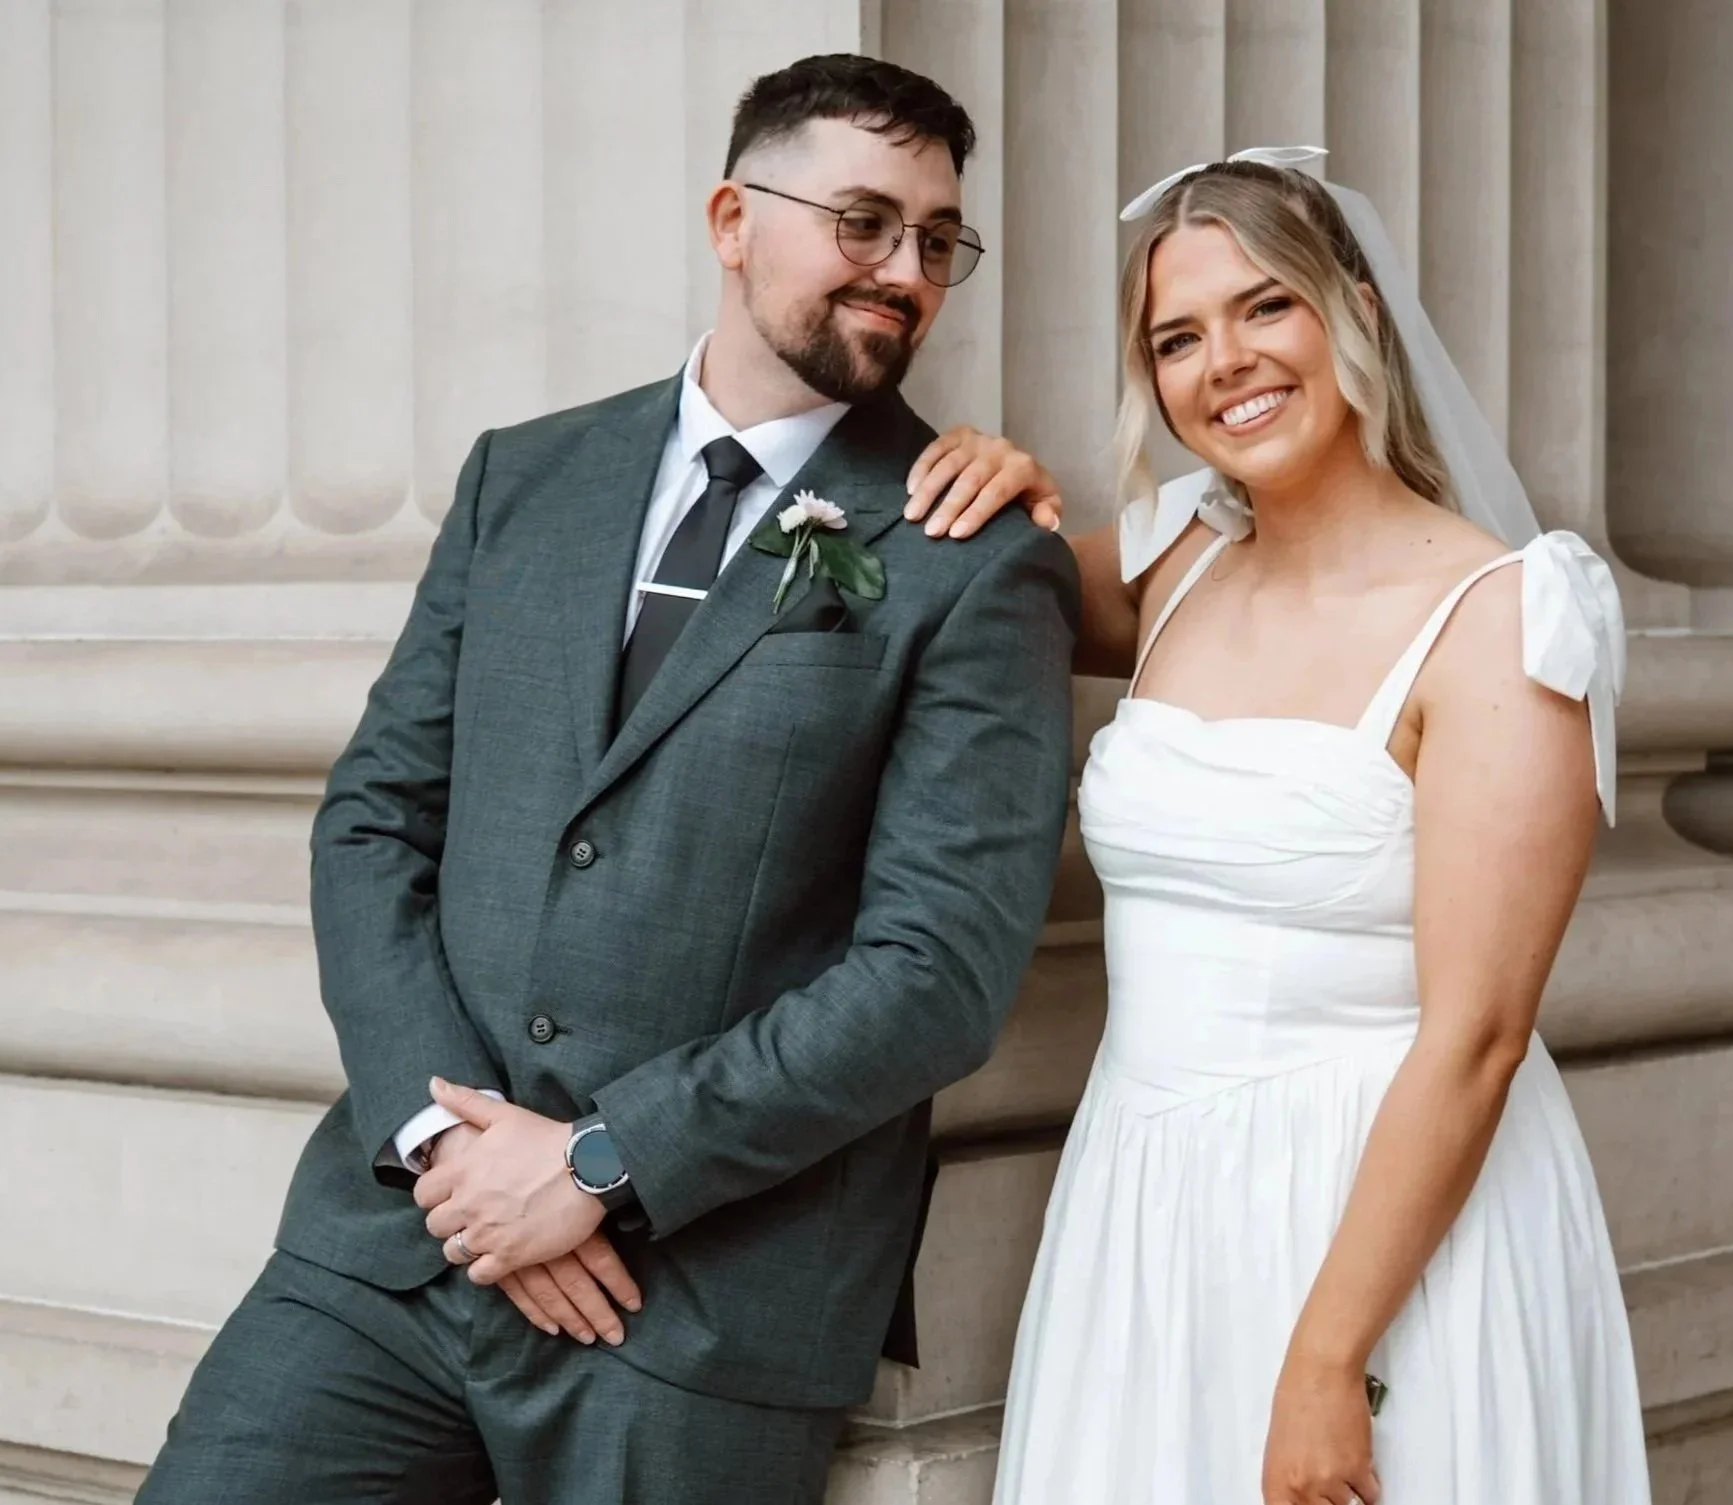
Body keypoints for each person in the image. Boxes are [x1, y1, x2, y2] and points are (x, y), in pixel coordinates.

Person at [136, 53, 1077, 1505]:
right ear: (731, 218)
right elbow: (375, 820)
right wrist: (452, 1147)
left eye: (936, 240)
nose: (904, 271)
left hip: (697, 1305)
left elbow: (936, 973)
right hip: (397, 1247)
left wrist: (593, 1167)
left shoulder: (974, 552)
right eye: (864, 221)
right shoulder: (524, 477)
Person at [909, 152, 1652, 1505]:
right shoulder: (1177, 563)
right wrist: (981, 468)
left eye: (1265, 309)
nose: (1224, 363)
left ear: (1353, 312)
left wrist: (1325, 1359)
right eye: (1176, 337)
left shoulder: (1499, 619)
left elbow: (1476, 1038)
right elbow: (956, 581)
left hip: (1379, 1227)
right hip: (1144, 1200)